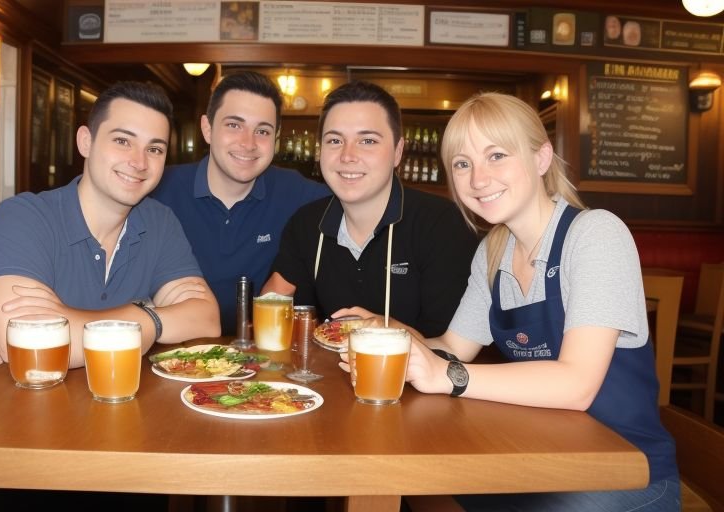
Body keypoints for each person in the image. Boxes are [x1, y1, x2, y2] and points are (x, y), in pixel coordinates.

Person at [342, 92, 679, 510]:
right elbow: (451, 348)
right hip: (536, 455)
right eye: (462, 164)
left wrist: (452, 377)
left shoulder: (595, 234)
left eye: (496, 155)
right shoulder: (493, 252)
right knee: (419, 485)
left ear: (541, 159)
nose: (478, 179)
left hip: (625, 471)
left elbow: (576, 385)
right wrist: (386, 331)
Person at [0, 81, 221, 391]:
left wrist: (137, 320)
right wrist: (151, 318)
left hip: (92, 412)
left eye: (154, 148)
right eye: (123, 141)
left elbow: (206, 319)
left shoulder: (160, 221)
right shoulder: (23, 216)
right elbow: (34, 351)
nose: (139, 161)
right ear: (86, 141)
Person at [262, 81, 479, 337]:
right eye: (334, 140)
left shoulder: (442, 225)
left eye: (367, 140)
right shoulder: (306, 225)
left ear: (398, 151)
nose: (347, 156)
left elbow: (450, 348)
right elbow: (283, 315)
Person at [151, 71, 329, 335]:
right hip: (174, 354)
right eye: (234, 125)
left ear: (276, 140)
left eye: (263, 131)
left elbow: (361, 204)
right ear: (207, 128)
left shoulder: (297, 192)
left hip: (263, 357)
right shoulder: (158, 189)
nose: (249, 143)